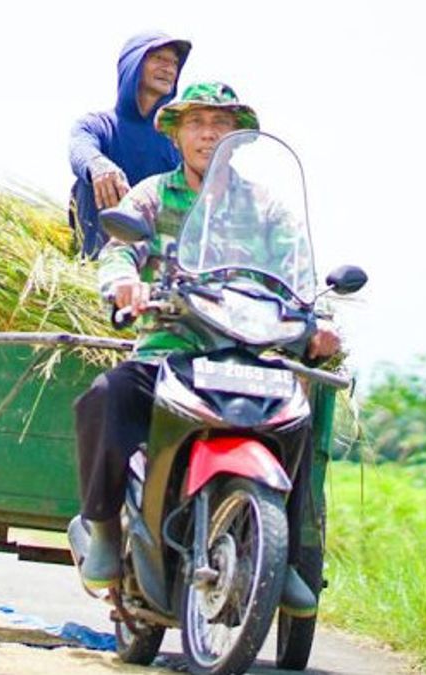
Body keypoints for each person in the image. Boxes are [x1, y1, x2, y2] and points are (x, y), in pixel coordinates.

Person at [74, 82, 342, 618]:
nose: (208, 134)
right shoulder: (152, 194)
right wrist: (124, 283)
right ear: (177, 135)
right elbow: (120, 250)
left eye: (221, 125)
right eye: (197, 123)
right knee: (108, 395)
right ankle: (100, 525)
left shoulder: (264, 207)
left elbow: (301, 275)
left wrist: (321, 322)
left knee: (296, 418)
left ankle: (280, 550)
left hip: (246, 353)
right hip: (169, 348)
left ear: (238, 138)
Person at [68, 31, 191, 258]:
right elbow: (80, 146)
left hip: (158, 262)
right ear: (133, 65)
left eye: (174, 63)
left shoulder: (176, 139)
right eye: (159, 59)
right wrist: (98, 166)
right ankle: (93, 262)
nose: (169, 69)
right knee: (87, 178)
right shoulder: (99, 124)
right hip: (101, 252)